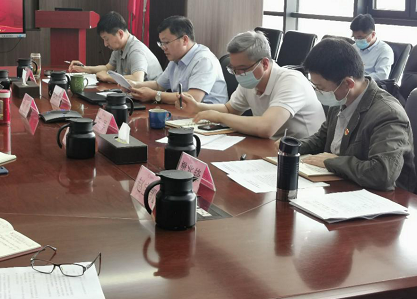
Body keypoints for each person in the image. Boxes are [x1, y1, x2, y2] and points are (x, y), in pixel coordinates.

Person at [299, 38, 415, 192]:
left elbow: (382, 173)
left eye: (321, 88)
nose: (318, 92)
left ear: (348, 83)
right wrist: (292, 147)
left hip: (383, 196)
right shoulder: (340, 99)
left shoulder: (388, 114)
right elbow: (322, 138)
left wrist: (332, 162)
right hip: (341, 184)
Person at [178, 31, 325, 139]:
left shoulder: (291, 81)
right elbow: (230, 109)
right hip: (271, 146)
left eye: (242, 69)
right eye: (233, 69)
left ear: (265, 63)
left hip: (305, 154)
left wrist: (219, 117)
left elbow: (266, 127)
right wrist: (198, 107)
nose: (238, 74)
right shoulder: (250, 79)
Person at [128, 15, 228, 104]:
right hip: (185, 113)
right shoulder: (176, 58)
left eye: (166, 42)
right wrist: (134, 85)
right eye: (161, 43)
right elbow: (159, 85)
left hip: (210, 116)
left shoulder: (204, 60)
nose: (163, 47)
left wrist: (155, 95)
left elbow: (193, 97)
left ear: (184, 40)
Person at [68, 11, 163, 82]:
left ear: (120, 34)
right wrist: (85, 69)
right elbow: (108, 68)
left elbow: (137, 78)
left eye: (107, 39)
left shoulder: (136, 50)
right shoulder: (119, 48)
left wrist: (108, 77)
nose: (105, 44)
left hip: (154, 99)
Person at [350, 13, 393, 81]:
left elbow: (381, 76)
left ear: (373, 34)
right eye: (355, 37)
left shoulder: (384, 50)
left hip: (369, 84)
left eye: (360, 37)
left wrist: (358, 79)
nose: (357, 40)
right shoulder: (353, 48)